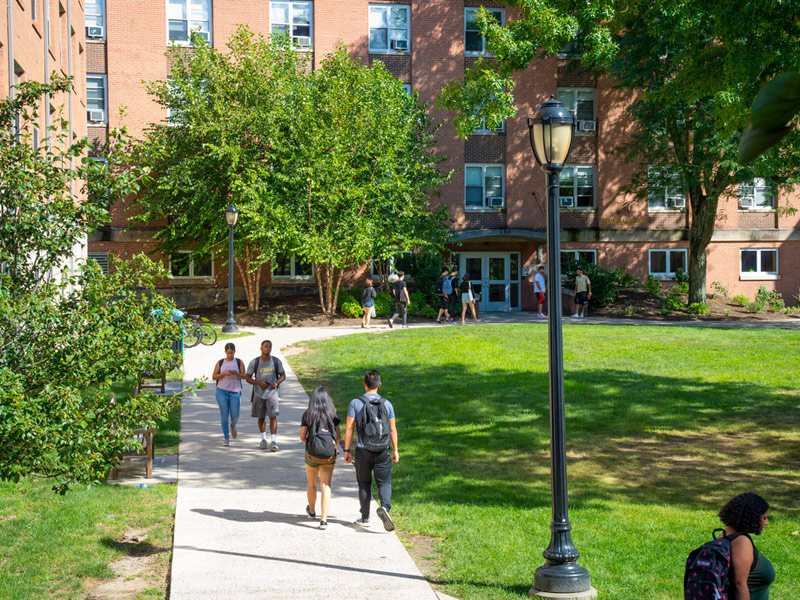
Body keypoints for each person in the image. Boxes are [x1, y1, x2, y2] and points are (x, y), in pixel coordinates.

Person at [343, 370, 399, 531]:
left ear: (364, 383)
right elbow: (393, 429)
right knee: (385, 481)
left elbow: (349, 427)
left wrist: (347, 450)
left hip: (363, 450)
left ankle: (365, 517)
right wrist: (395, 450)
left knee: (364, 483)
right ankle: (386, 509)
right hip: (382, 449)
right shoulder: (387, 404)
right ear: (379, 385)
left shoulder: (356, 403)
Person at [300, 386, 341, 530]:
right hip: (328, 456)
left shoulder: (308, 414)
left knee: (312, 484)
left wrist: (310, 445)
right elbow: (338, 436)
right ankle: (324, 519)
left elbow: (302, 436)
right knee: (326, 485)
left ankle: (312, 512)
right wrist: (333, 448)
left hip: (312, 454)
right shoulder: (332, 414)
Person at [719, 492, 774, 600]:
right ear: (751, 518)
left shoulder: (724, 536)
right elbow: (739, 584)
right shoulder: (741, 542)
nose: (766, 523)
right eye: (764, 518)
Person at [246, 340, 286, 451]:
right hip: (259, 394)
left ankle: (273, 441)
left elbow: (283, 375)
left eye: (269, 347)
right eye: (265, 346)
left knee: (273, 416)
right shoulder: (255, 362)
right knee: (261, 417)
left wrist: (276, 383)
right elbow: (247, 378)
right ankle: (263, 439)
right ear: (261, 348)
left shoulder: (276, 361)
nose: (267, 348)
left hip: (272, 393)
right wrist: (258, 383)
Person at [211, 342, 246, 447]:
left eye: (232, 353)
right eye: (228, 353)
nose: (230, 355)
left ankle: (233, 425)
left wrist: (236, 373)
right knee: (224, 415)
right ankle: (226, 437)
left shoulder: (239, 362)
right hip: (222, 391)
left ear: (235, 352)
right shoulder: (220, 362)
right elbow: (214, 376)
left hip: (235, 391)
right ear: (225, 352)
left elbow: (244, 376)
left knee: (235, 414)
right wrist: (223, 374)